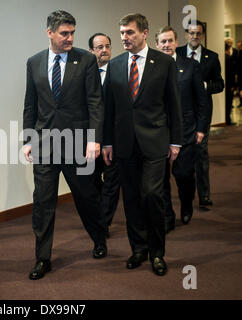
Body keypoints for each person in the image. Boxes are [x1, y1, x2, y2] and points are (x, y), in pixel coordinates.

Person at [23, 10, 107, 280]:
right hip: (45, 145)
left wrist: (94, 139)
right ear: (50, 32)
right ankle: (42, 258)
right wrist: (28, 139)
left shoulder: (85, 60)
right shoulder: (34, 62)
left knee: (86, 197)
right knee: (43, 202)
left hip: (78, 144)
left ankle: (99, 238)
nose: (70, 38)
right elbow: (30, 105)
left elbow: (95, 102)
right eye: (64, 33)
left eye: (72, 32)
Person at [102, 14, 183, 276]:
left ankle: (157, 253)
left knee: (151, 195)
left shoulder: (164, 62)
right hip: (125, 143)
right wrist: (107, 143)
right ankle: (138, 249)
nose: (124, 37)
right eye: (122, 33)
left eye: (130, 33)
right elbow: (108, 108)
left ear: (145, 33)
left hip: (155, 141)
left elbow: (173, 104)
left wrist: (175, 140)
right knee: (133, 198)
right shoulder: (114, 65)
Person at [155, 26, 209, 232]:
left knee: (184, 174)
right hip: (159, 132)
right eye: (163, 42)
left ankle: (187, 204)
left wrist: (201, 129)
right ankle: (168, 215)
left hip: (186, 131)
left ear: (176, 42)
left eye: (170, 41)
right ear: (157, 45)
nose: (167, 45)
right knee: (160, 179)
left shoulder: (191, 66)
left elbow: (201, 101)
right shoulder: (152, 68)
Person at [176, 20, 224, 209]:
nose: (195, 36)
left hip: (202, 112)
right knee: (183, 157)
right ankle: (186, 194)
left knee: (201, 152)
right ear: (186, 34)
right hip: (181, 114)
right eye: (191, 33)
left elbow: (220, 84)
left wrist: (204, 86)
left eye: (198, 33)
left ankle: (204, 194)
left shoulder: (212, 57)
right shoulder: (177, 53)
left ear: (202, 35)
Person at [88, 33, 120, 239]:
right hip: (91, 139)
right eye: (99, 47)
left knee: (112, 182)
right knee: (91, 181)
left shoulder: (118, 72)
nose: (104, 50)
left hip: (114, 137)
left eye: (107, 46)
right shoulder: (85, 73)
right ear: (91, 51)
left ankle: (103, 222)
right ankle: (100, 215)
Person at [225, 41, 238, 125]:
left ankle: (226, 119)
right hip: (229, 84)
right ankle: (228, 120)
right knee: (229, 103)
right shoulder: (228, 58)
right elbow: (231, 73)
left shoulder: (220, 57)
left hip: (223, 84)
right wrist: (234, 85)